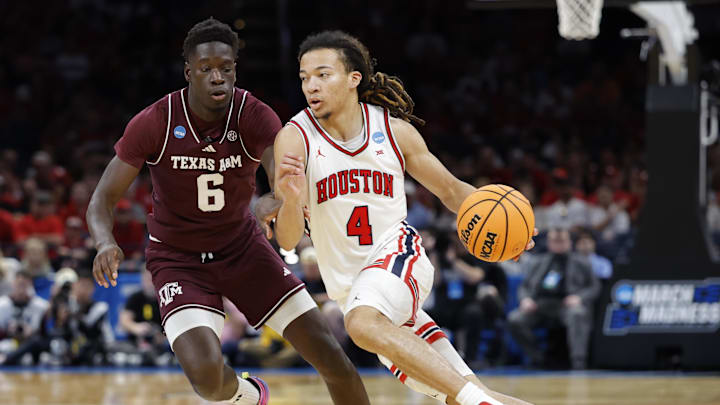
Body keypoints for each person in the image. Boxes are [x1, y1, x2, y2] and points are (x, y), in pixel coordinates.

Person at [86, 18, 369, 405]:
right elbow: (101, 199)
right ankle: (250, 396)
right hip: (177, 258)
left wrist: (272, 201)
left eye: (226, 68)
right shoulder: (156, 121)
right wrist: (105, 242)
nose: (218, 77)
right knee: (207, 379)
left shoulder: (254, 115)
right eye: (207, 69)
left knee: (334, 360)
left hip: (244, 250)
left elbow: (280, 176)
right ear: (189, 73)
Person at [272, 30, 535, 405]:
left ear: (353, 79)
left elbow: (450, 190)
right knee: (465, 394)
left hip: (398, 257)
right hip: (354, 291)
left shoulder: (393, 131)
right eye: (304, 77)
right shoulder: (295, 137)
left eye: (322, 74)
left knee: (360, 326)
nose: (311, 85)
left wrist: (513, 229)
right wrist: (292, 200)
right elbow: (286, 239)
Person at [507, 228, 600, 370]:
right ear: (549, 243)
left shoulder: (582, 262)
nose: (558, 244)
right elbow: (524, 287)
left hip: (566, 305)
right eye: (554, 241)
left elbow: (594, 287)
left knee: (577, 313)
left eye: (561, 240)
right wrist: (526, 299)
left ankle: (578, 362)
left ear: (569, 242)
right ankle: (538, 358)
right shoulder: (537, 262)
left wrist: (579, 297)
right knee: (515, 319)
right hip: (540, 305)